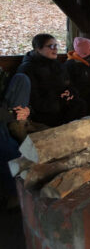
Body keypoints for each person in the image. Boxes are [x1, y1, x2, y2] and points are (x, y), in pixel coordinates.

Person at [17, 33, 87, 127]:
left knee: (80, 104)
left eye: (56, 45)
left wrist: (70, 93)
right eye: (51, 46)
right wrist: (59, 101)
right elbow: (33, 99)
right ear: (38, 48)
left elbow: (69, 84)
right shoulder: (27, 68)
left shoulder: (57, 65)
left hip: (61, 105)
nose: (55, 49)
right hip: (44, 111)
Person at [0, 73, 31, 208]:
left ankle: (17, 124)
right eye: (51, 48)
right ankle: (16, 192)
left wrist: (27, 110)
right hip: (5, 118)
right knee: (8, 146)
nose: (54, 50)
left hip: (7, 113)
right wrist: (11, 114)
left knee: (21, 78)